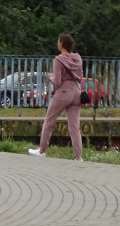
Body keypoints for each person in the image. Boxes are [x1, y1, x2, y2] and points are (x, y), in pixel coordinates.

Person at [29, 33, 84, 161]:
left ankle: (42, 150)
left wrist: (51, 78)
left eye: (58, 41)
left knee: (49, 120)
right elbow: (80, 76)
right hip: (76, 92)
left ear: (61, 44)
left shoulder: (58, 60)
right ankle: (78, 156)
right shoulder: (78, 58)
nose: (57, 43)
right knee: (74, 126)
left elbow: (58, 82)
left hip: (63, 93)